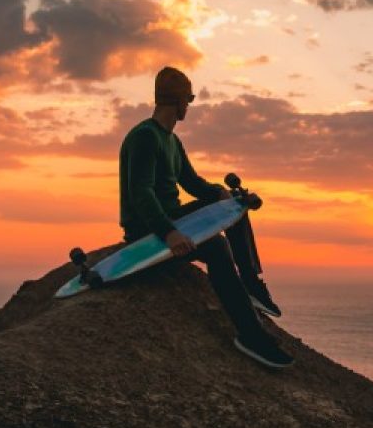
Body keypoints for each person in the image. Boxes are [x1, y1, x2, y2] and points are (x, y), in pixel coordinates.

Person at [119, 66, 292, 368]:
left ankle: (251, 285)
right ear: (179, 100)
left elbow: (192, 183)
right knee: (218, 247)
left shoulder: (171, 140)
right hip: (148, 231)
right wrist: (169, 233)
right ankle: (251, 334)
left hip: (172, 219)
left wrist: (225, 195)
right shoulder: (145, 137)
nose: (190, 104)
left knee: (234, 207)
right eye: (190, 98)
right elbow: (140, 193)